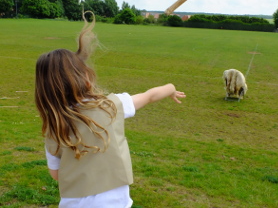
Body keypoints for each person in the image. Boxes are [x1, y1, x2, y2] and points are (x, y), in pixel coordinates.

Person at [35, 11, 186, 208]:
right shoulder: (112, 105)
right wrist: (171, 88)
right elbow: (149, 95)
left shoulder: (52, 126)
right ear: (85, 76)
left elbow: (56, 174)